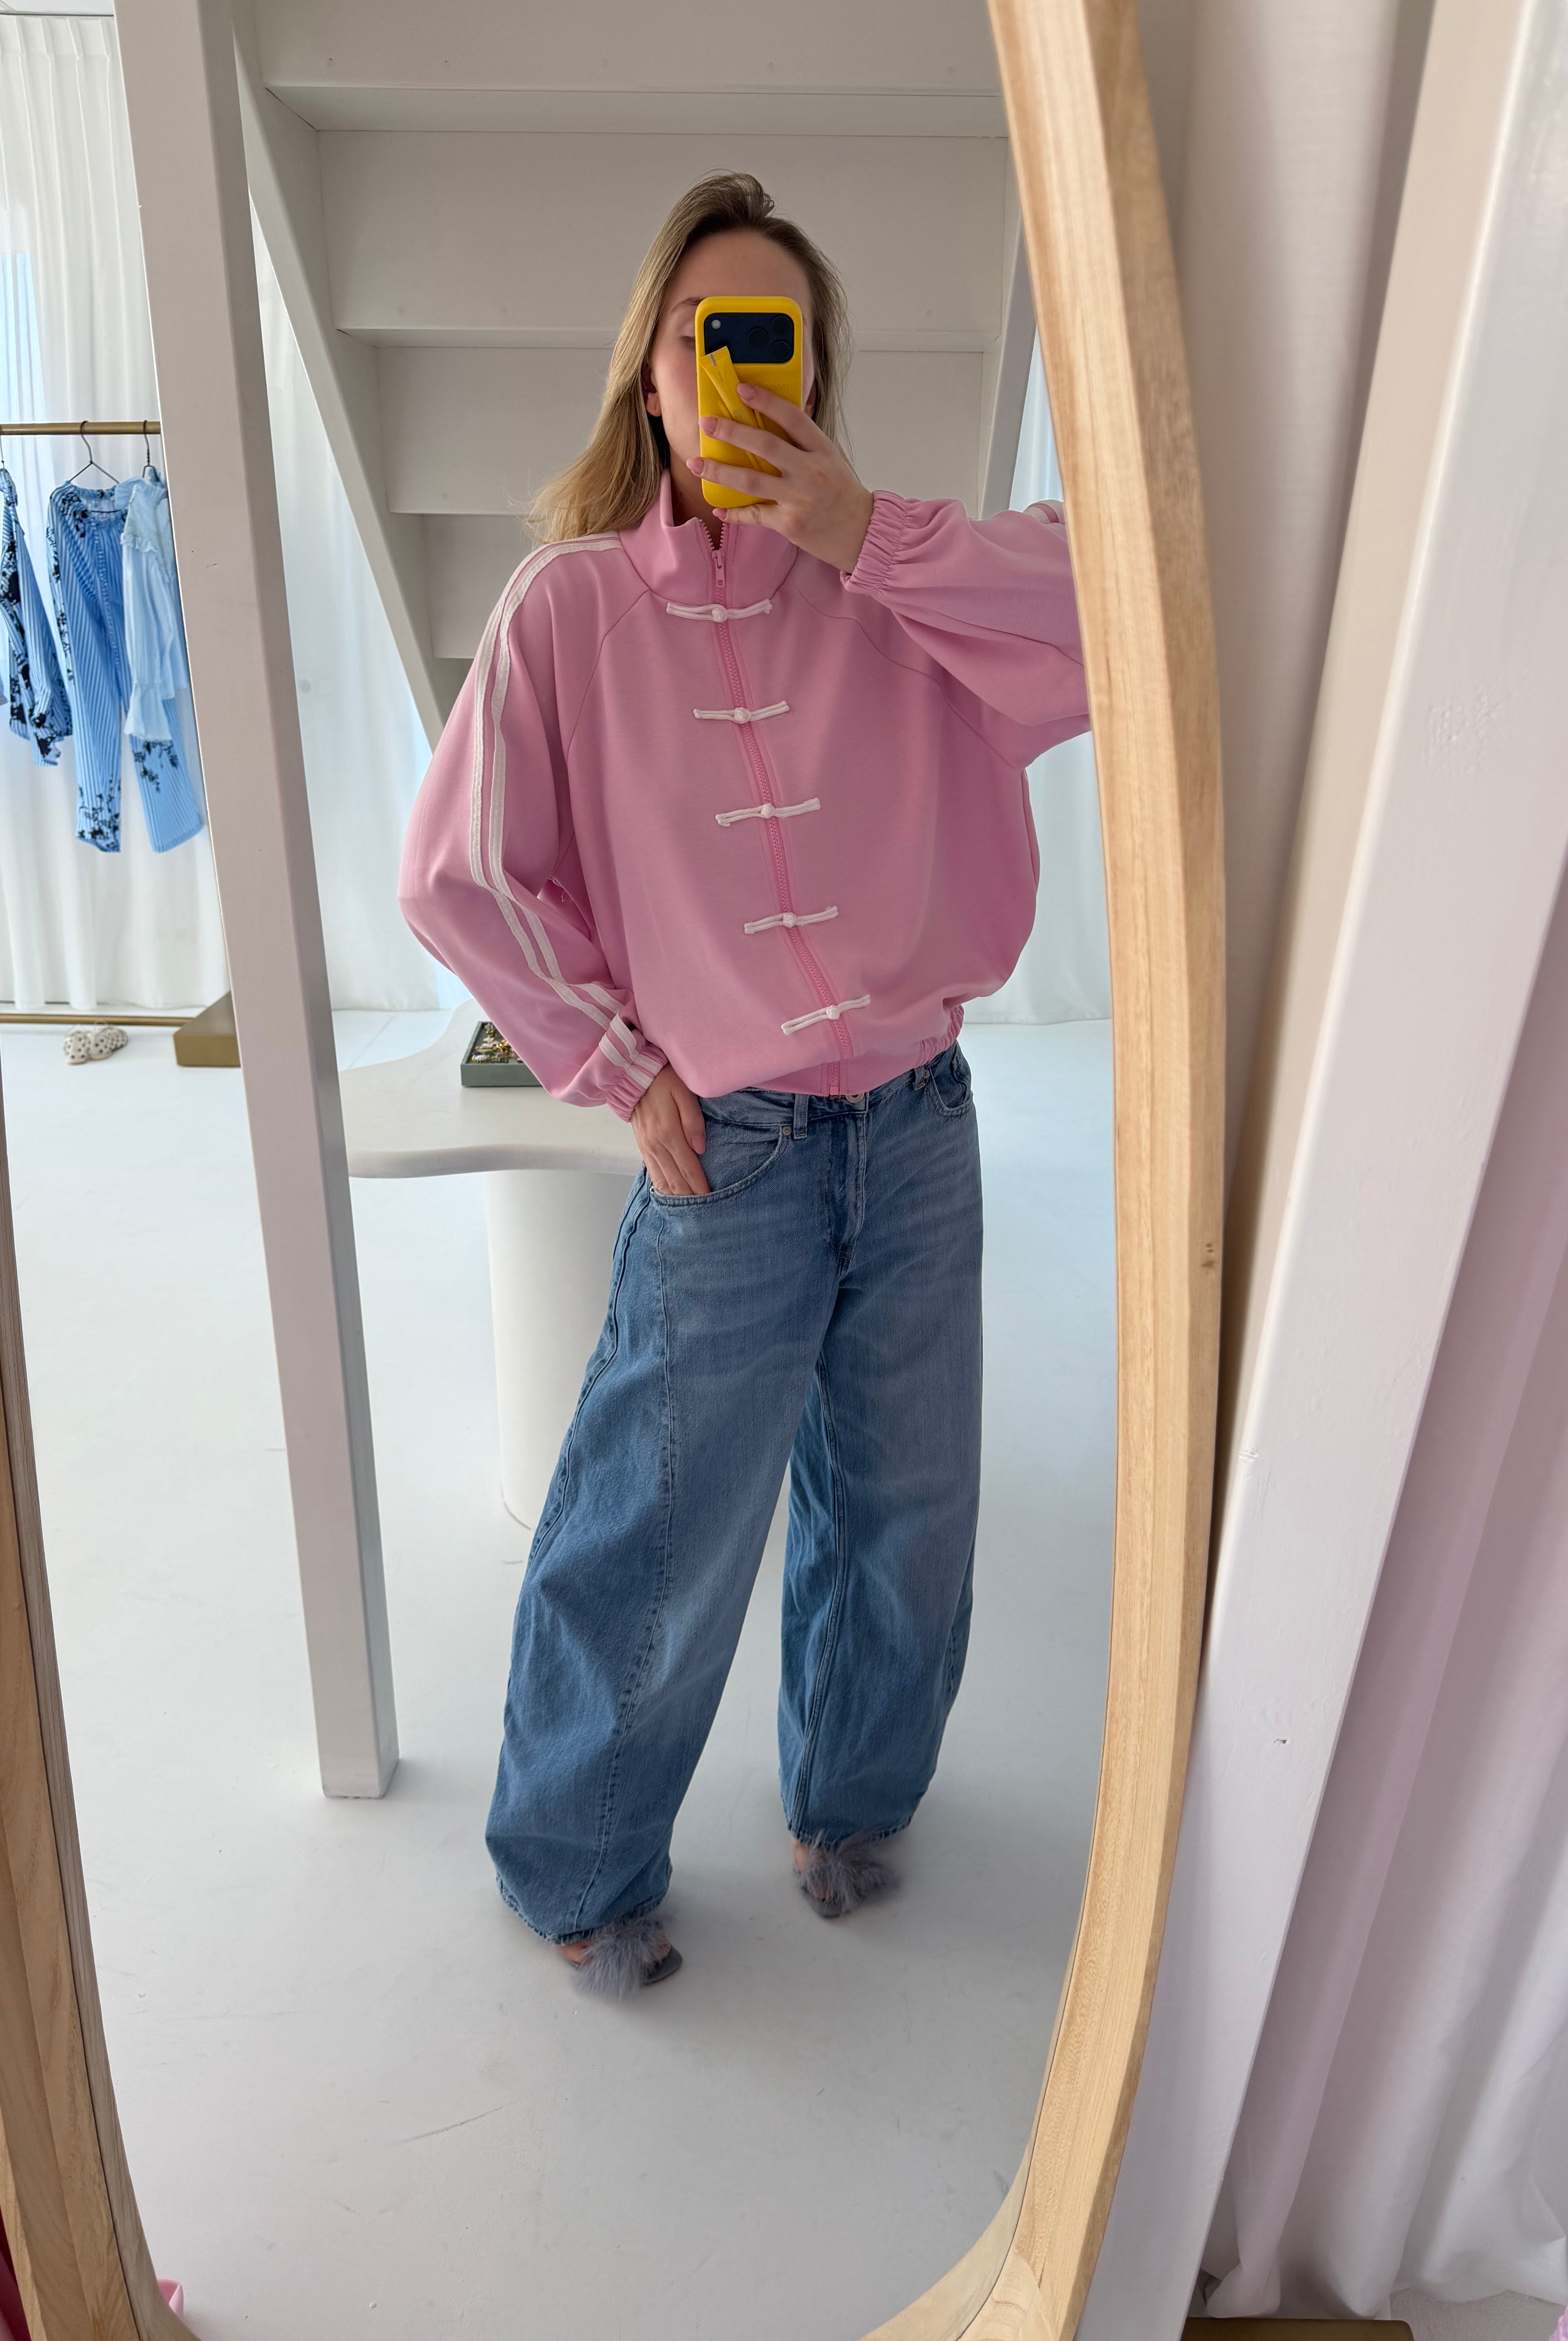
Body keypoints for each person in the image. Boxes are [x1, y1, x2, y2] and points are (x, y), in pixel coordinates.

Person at [399, 171, 1089, 1997]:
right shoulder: (566, 611)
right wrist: (619, 1071)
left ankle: (851, 1803)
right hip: (733, 1146)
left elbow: (1119, 617)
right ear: (649, 373)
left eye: (768, 337)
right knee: (655, 1529)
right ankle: (575, 1863)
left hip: (921, 1126)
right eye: (702, 334)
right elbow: (458, 875)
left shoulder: (905, 589)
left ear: (815, 374)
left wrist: (870, 534)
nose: (732, 367)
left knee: (907, 1511)